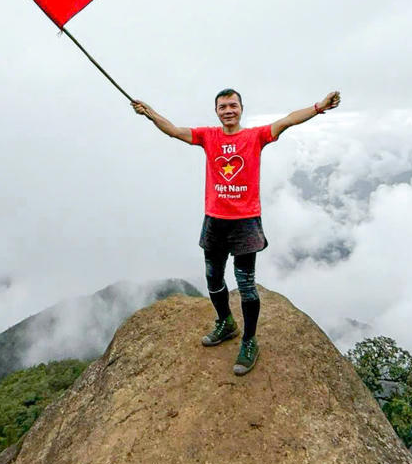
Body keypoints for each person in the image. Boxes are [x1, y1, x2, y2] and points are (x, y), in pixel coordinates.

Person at [130, 88, 342, 375]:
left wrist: (318, 107)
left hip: (245, 222)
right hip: (215, 220)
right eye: (222, 107)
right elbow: (175, 132)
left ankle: (250, 340)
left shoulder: (255, 136)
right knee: (213, 278)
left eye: (232, 105)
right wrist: (150, 113)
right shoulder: (208, 136)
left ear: (241, 108)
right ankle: (226, 322)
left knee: (245, 285)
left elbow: (289, 120)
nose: (228, 110)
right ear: (216, 111)